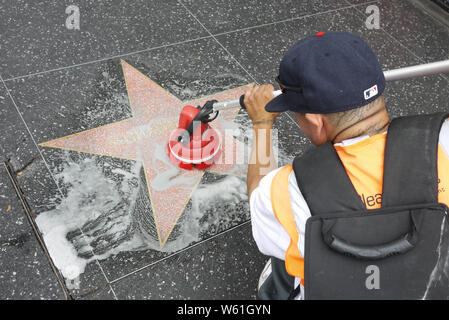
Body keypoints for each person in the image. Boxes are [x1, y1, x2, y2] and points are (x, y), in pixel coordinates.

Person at [243, 31, 449, 300]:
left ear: (316, 121)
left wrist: (261, 124)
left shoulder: (286, 190)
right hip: (433, 287)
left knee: (286, 250)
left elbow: (258, 194)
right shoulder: (443, 137)